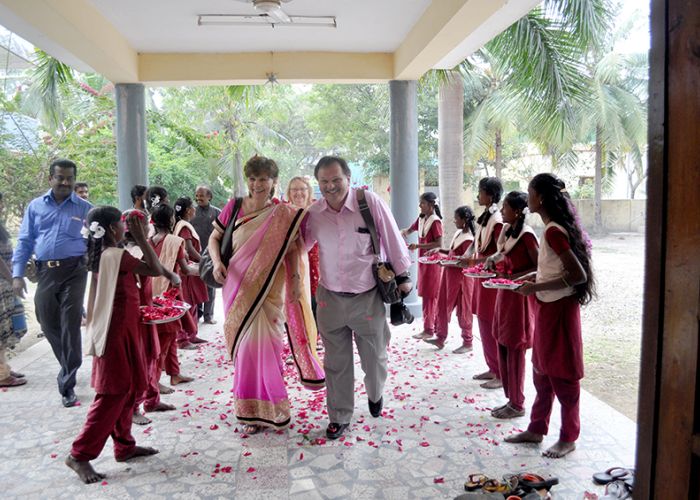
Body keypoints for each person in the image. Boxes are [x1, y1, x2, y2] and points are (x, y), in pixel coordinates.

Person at [209, 155, 324, 435]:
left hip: (270, 290)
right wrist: (216, 262)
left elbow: (294, 248)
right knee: (245, 350)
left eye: (263, 179)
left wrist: (295, 281)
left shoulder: (282, 214)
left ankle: (272, 408)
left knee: (269, 347)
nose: (257, 184)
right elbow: (214, 238)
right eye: (252, 178)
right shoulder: (234, 206)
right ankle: (249, 412)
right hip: (236, 286)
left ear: (273, 181)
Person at [304, 156, 412, 440]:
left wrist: (403, 277)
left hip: (366, 297)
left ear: (348, 179)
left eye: (336, 180)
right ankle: (340, 416)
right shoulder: (314, 214)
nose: (330, 186)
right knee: (336, 362)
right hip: (329, 298)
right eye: (324, 182)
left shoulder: (368, 202)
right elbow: (298, 245)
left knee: (374, 358)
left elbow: (391, 238)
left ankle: (375, 394)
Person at [65, 207, 162, 483]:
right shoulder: (116, 255)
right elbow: (155, 269)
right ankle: (79, 454)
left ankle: (124, 445)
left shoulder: (106, 254)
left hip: (123, 329)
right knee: (112, 393)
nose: (125, 228)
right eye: (122, 224)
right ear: (111, 229)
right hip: (115, 333)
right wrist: (141, 238)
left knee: (127, 389)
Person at [505, 173, 595, 458]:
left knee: (563, 376)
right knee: (542, 373)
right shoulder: (550, 229)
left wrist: (536, 286)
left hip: (560, 311)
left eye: (530, 192)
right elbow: (554, 268)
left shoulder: (554, 231)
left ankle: (568, 437)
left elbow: (577, 275)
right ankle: (536, 428)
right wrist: (536, 276)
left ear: (541, 198)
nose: (527, 197)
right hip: (547, 308)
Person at [12, 159, 92, 407]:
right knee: (46, 322)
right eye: (60, 177)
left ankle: (67, 384)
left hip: (75, 271)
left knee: (70, 324)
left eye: (70, 178)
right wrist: (17, 274)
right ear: (51, 179)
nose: (65, 182)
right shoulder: (36, 206)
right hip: (45, 271)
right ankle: (69, 363)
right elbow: (25, 240)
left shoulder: (85, 208)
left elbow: (95, 240)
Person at [123, 209, 181, 423]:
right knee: (141, 362)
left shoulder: (137, 248)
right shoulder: (133, 251)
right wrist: (170, 274)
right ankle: (134, 408)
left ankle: (152, 399)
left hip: (146, 310)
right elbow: (154, 268)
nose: (150, 226)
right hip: (137, 316)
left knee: (152, 358)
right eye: (146, 224)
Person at [486, 191, 538, 418]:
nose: (502, 210)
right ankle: (511, 399)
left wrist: (515, 278)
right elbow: (504, 257)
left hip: (519, 298)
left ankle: (517, 403)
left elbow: (538, 267)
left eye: (505, 207)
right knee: (502, 342)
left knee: (514, 347)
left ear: (517, 211)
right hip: (505, 294)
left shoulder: (527, 236)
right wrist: (493, 264)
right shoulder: (507, 232)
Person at [148, 204, 197, 393]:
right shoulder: (176, 242)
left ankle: (174, 373)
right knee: (166, 339)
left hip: (152, 293)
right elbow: (185, 269)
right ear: (171, 220)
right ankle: (154, 382)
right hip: (169, 296)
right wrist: (208, 270)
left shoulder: (148, 241)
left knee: (170, 336)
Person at [461, 177, 504, 389]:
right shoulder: (485, 216)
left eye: (480, 191)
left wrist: (473, 261)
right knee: (484, 323)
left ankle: (501, 373)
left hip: (491, 279)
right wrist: (467, 256)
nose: (478, 195)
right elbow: (476, 245)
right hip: (480, 277)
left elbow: (499, 253)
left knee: (492, 323)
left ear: (490, 195)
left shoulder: (497, 220)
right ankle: (492, 366)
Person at [425, 206, 475, 353]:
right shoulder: (459, 233)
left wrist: (445, 261)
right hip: (449, 275)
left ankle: (468, 341)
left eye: (456, 218)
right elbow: (453, 253)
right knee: (442, 305)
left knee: (463, 309)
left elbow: (465, 261)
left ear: (464, 220)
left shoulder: (469, 239)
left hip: (461, 279)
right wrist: (439, 250)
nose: (454, 221)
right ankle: (440, 337)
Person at [402, 193, 443, 341]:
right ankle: (432, 327)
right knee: (427, 295)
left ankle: (429, 329)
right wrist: (400, 233)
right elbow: (408, 230)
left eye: (423, 203)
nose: (420, 206)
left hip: (432, 263)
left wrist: (418, 246)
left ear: (431, 205)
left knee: (430, 296)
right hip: (423, 262)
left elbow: (439, 244)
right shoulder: (421, 219)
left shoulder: (435, 222)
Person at [0, 193, 28, 387]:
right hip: (2, 283)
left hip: (4, 282)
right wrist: (13, 279)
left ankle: (4, 368)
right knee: (2, 329)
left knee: (7, 327)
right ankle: (2, 375)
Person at [173, 196, 209, 348]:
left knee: (193, 302)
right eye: (193, 206)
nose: (195, 209)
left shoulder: (183, 225)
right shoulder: (184, 227)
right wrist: (205, 261)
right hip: (187, 270)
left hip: (191, 269)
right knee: (187, 303)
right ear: (188, 210)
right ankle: (183, 338)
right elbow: (189, 249)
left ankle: (192, 334)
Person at [285, 176, 320, 316]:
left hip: (314, 264)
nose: (298, 193)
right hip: (291, 266)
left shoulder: (317, 211)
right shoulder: (284, 213)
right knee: (294, 308)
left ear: (309, 191)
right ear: (289, 193)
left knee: (314, 307)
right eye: (294, 189)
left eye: (302, 189)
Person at [191, 185, 220, 324]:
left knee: (210, 285)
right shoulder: (191, 212)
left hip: (211, 255)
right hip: (194, 254)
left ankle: (208, 316)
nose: (198, 198)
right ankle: (197, 314)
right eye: (197, 195)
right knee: (196, 286)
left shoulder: (217, 213)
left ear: (209, 196)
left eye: (201, 195)